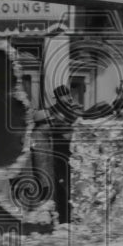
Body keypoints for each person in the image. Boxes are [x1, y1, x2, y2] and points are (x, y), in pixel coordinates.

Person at [46, 85, 82, 224]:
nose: (69, 98)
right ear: (61, 97)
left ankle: (67, 217)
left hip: (66, 154)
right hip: (61, 154)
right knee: (64, 187)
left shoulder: (67, 110)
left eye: (68, 95)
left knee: (68, 187)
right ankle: (64, 218)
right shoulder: (56, 111)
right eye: (66, 95)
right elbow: (65, 133)